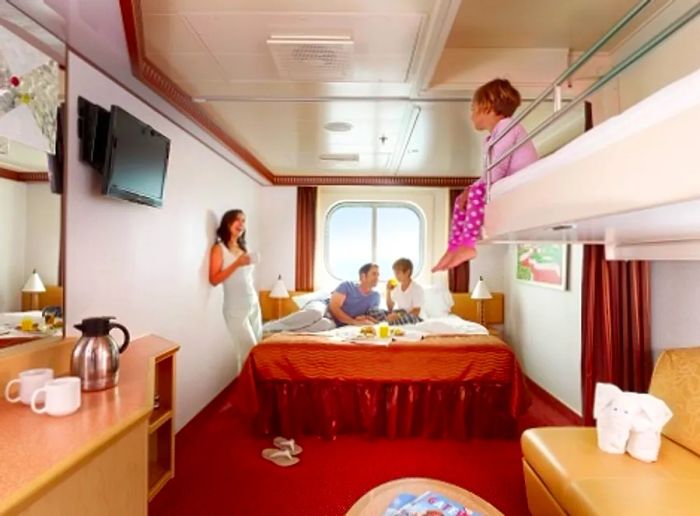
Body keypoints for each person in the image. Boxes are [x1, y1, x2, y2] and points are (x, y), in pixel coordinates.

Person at [432, 78, 538, 272]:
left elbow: (495, 172)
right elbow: (489, 174)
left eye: (473, 109)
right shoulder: (494, 136)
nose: (471, 114)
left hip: (521, 185)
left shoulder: (508, 127)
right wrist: (469, 190)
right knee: (461, 199)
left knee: (476, 192)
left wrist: (475, 190)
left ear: (488, 107)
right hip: (507, 184)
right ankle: (455, 246)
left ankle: (468, 244)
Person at [209, 209, 262, 375]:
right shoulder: (219, 248)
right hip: (235, 308)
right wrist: (237, 264)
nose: (241, 224)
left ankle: (250, 395)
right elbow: (214, 279)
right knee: (248, 352)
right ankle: (245, 396)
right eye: (237, 220)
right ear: (227, 223)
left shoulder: (244, 247)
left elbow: (246, 279)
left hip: (253, 304)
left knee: (255, 352)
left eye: (244, 221)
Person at [386, 258, 424, 324]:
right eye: (395, 273)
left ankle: (394, 322)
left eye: (398, 273)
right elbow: (390, 308)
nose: (396, 276)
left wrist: (398, 316)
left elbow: (416, 311)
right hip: (401, 314)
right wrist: (388, 291)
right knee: (382, 314)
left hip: (414, 317)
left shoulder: (416, 288)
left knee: (397, 319)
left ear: (407, 272)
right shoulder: (396, 287)